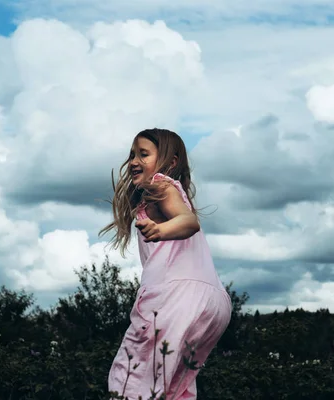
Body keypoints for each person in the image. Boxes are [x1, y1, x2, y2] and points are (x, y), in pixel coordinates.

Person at [100, 128, 232, 399]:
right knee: (174, 388)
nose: (134, 161)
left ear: (171, 162)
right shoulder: (168, 194)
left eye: (144, 154)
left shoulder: (162, 185)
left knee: (129, 382)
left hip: (174, 298)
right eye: (132, 155)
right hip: (211, 303)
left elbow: (189, 222)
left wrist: (160, 231)